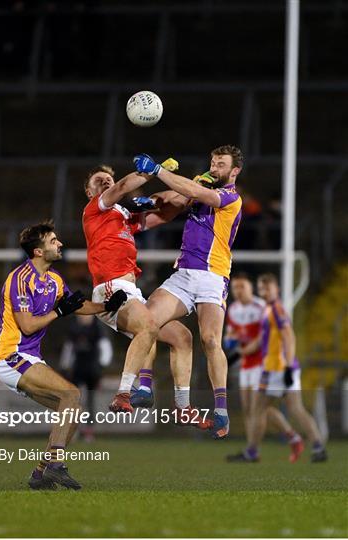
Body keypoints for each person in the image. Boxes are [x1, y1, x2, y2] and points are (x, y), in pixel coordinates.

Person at [0, 221, 127, 490]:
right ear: (38, 251)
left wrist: (106, 306)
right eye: (53, 240)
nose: (60, 244)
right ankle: (56, 465)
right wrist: (59, 313)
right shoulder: (19, 279)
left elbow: (75, 305)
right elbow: (29, 325)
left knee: (72, 411)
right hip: (11, 356)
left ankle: (40, 474)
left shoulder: (53, 279)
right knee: (72, 394)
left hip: (29, 358)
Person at [82, 163, 211, 428]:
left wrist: (192, 188)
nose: (106, 182)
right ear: (89, 191)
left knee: (182, 337)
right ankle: (124, 393)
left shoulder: (124, 216)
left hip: (132, 291)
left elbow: (164, 213)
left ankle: (183, 406)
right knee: (149, 326)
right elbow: (122, 186)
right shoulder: (96, 208)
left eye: (108, 178)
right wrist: (155, 168)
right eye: (99, 180)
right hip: (110, 288)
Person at [133, 145, 244, 439]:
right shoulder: (200, 182)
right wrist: (151, 198)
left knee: (209, 339)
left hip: (213, 275)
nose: (215, 167)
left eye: (221, 164)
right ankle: (144, 387)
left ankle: (221, 410)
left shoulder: (231, 197)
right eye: (213, 161)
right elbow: (175, 198)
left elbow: (199, 195)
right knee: (144, 320)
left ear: (234, 171)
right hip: (183, 273)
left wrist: (159, 171)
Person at [241, 273, 328, 462]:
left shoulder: (277, 310)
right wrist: (244, 350)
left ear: (276, 289)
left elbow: (289, 336)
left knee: (259, 409)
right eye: (261, 288)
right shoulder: (268, 309)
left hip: (277, 368)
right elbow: (262, 339)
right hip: (276, 368)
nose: (264, 291)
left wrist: (288, 366)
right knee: (292, 409)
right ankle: (317, 446)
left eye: (268, 288)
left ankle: (253, 452)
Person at [224, 273, 304, 462]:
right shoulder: (233, 309)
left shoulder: (261, 307)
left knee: (258, 409)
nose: (238, 291)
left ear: (250, 288)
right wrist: (230, 341)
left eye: (242, 287)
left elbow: (264, 337)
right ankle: (286, 438)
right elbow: (230, 336)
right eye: (235, 288)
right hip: (245, 365)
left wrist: (243, 348)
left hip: (261, 363)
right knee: (249, 409)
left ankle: (255, 450)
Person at [60, 314, 113, 442]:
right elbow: (69, 348)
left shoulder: (97, 329)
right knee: (74, 400)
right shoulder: (74, 328)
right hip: (77, 369)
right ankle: (73, 429)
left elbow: (105, 348)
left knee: (90, 401)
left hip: (92, 369)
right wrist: (65, 365)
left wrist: (101, 366)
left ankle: (89, 430)